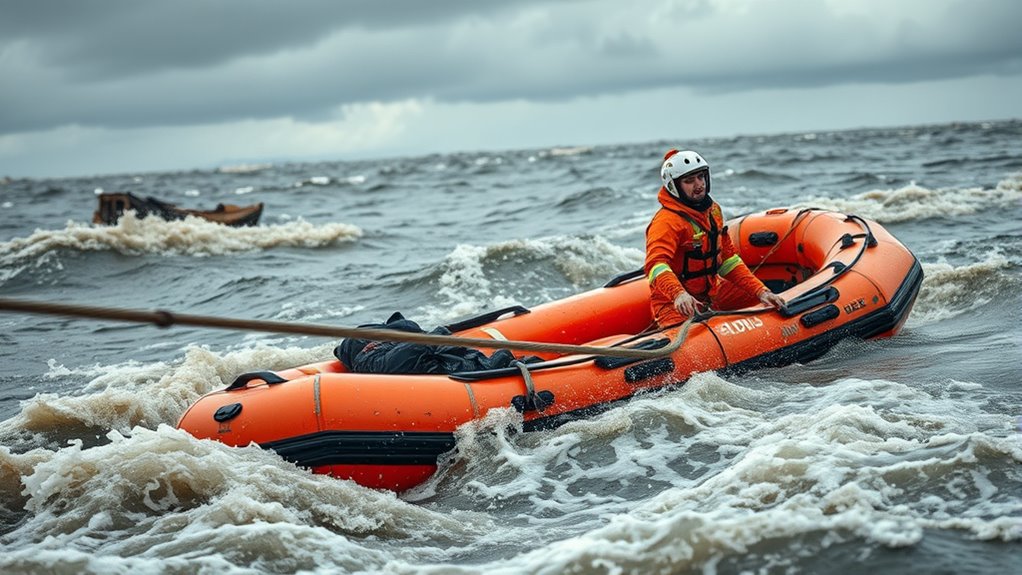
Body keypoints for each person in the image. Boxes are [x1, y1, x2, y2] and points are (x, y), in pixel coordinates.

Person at [645, 149, 786, 327]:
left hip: (712, 293)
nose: (698, 185)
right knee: (688, 347)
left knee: (771, 295)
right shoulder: (667, 222)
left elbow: (728, 260)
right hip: (675, 303)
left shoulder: (713, 212)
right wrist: (678, 294)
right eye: (689, 181)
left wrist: (761, 291)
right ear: (674, 187)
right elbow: (656, 265)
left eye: (700, 177)